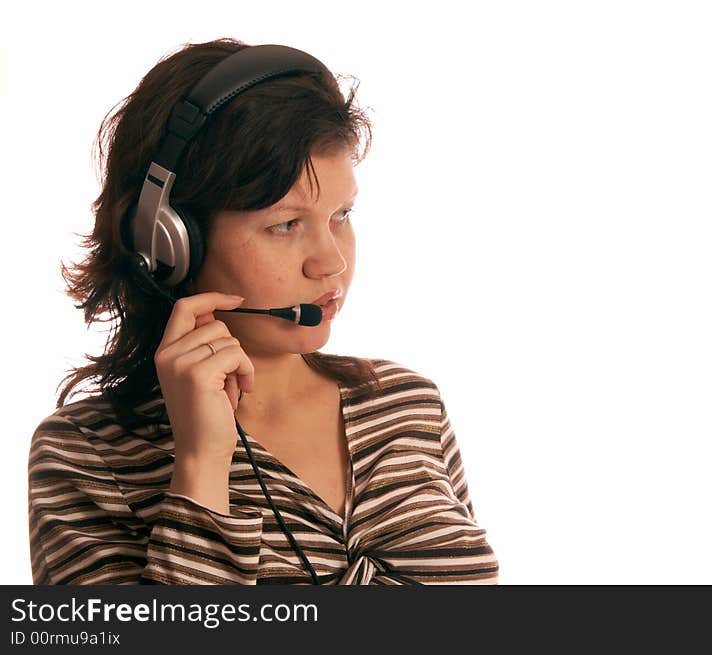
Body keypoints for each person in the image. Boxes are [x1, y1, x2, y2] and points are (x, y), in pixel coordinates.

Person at [27, 37, 500, 585]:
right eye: (284, 224)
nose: (331, 263)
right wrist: (202, 465)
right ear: (172, 242)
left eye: (341, 214)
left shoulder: (406, 403)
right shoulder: (84, 455)